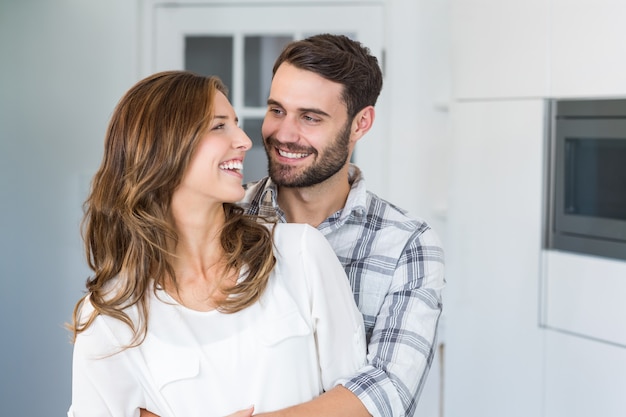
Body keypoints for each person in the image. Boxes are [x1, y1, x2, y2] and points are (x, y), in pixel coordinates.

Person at [66, 70, 366, 417]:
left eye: (235, 123)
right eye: (219, 126)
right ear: (163, 148)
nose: (244, 140)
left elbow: (358, 402)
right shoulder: (111, 317)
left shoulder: (299, 252)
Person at [238, 33, 446, 417]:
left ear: (360, 123)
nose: (284, 134)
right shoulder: (226, 216)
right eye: (277, 110)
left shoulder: (407, 244)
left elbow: (387, 391)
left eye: (310, 117)